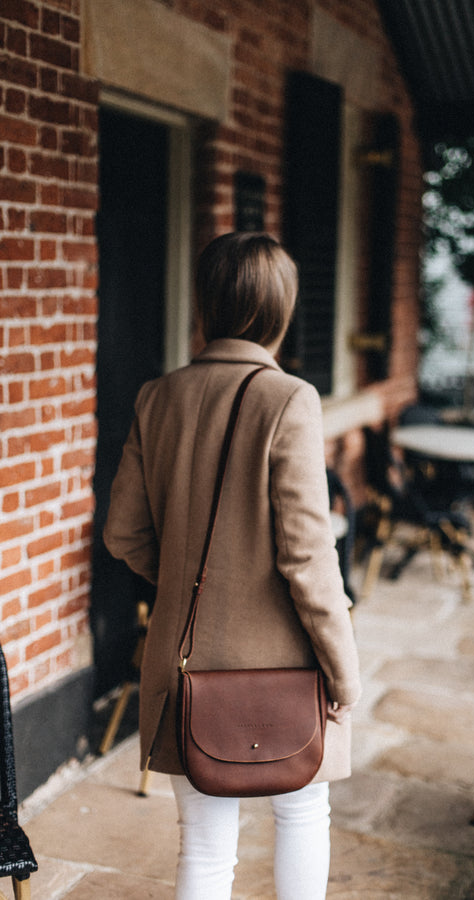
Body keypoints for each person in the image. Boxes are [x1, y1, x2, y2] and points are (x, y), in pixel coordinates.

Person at [103, 232, 361, 900]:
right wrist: (345, 670)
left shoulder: (156, 397)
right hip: (287, 666)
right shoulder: (290, 400)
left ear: (207, 305)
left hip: (182, 661)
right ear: (282, 309)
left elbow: (123, 533)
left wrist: (192, 576)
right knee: (302, 812)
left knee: (206, 850)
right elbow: (307, 556)